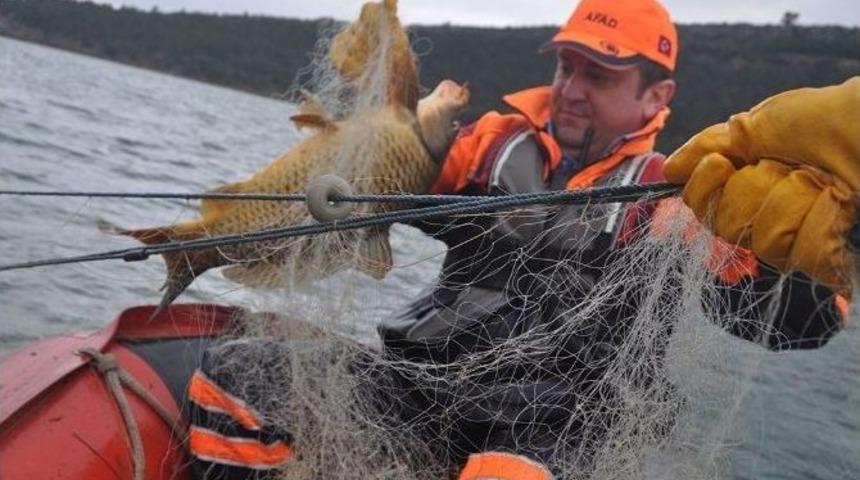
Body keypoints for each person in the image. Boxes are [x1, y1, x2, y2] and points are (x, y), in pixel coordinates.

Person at [182, 1, 851, 479]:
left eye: (599, 75)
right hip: (426, 385)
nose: (571, 90)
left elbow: (805, 322)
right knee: (237, 376)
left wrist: (764, 248)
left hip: (561, 423)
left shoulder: (678, 196)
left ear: (656, 97)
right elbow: (393, 172)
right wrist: (369, 131)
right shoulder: (491, 149)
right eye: (566, 67)